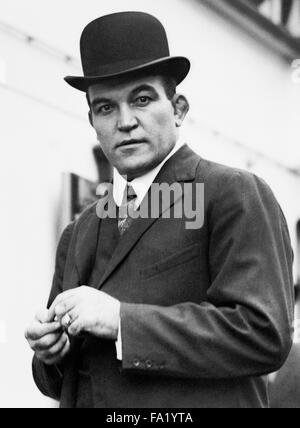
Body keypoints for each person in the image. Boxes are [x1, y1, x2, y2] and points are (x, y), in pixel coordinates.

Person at [25, 11, 294, 408]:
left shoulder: (230, 194)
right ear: (92, 121)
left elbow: (264, 334)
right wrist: (50, 354)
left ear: (179, 108)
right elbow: (60, 383)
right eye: (105, 108)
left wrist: (121, 321)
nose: (125, 121)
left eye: (143, 99)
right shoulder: (81, 230)